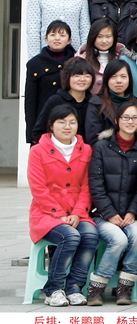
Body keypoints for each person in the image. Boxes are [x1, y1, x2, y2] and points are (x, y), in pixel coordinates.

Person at [29, 106, 98, 307]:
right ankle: (54, 289)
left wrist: (77, 213)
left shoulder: (86, 150)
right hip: (46, 214)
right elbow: (38, 188)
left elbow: (87, 186)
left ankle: (75, 287)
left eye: (72, 122)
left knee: (90, 234)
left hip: (77, 213)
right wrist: (58, 214)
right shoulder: (38, 151)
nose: (67, 126)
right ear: (51, 125)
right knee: (70, 236)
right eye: (62, 122)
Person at [84, 103, 137, 306]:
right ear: (117, 120)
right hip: (103, 215)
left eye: (135, 118)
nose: (130, 122)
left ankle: (125, 287)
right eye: (126, 117)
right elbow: (95, 184)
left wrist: (133, 211)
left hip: (131, 214)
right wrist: (109, 212)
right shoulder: (101, 147)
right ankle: (97, 286)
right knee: (118, 239)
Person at [27, 22, 79, 144]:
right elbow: (30, 101)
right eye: (53, 34)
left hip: (70, 121)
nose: (57, 38)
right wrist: (32, 134)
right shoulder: (35, 63)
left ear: (69, 40)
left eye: (62, 35)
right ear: (46, 39)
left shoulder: (76, 62)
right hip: (44, 120)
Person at [32, 57, 93, 145]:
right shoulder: (55, 101)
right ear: (67, 77)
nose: (82, 79)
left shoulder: (94, 102)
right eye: (77, 76)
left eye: (87, 76)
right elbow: (39, 131)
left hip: (87, 151)